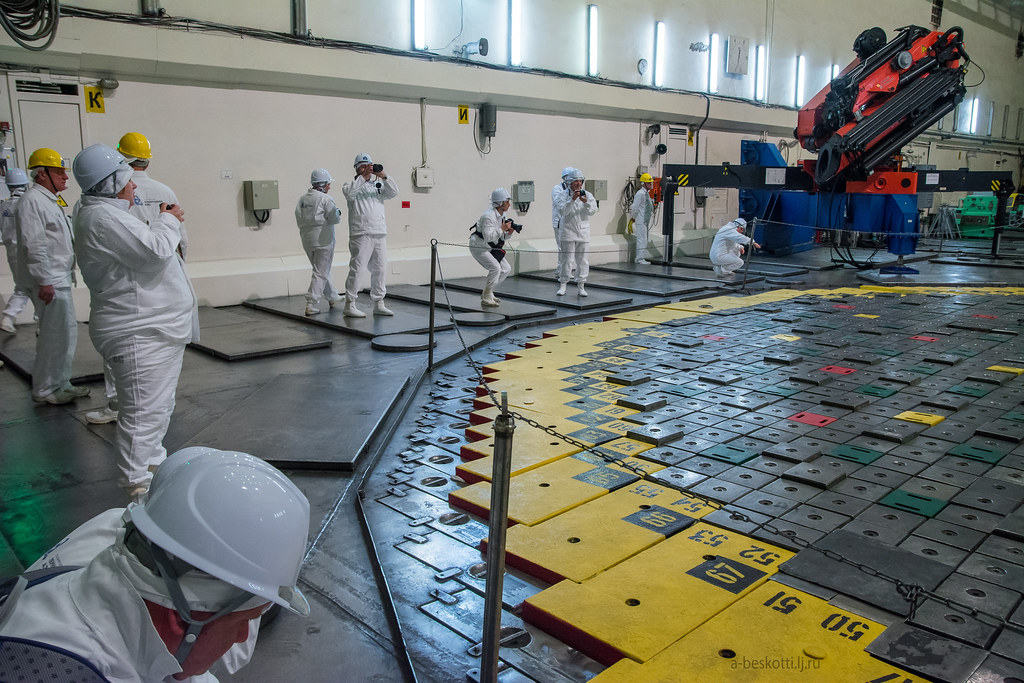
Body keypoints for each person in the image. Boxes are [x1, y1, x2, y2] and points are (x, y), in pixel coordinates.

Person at [0, 447, 311, 682]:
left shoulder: (100, 553)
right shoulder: (57, 669)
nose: (243, 636)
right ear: (181, 620)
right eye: (241, 622)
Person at [71, 143, 197, 500]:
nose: (135, 187)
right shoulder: (102, 217)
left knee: (156, 407)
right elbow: (154, 251)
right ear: (111, 182)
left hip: (152, 329)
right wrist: (169, 219)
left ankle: (153, 466)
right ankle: (136, 483)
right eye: (128, 180)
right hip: (139, 331)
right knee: (143, 414)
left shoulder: (108, 214)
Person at [16, 147, 89, 404]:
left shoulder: (49, 200)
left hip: (59, 278)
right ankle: (45, 389)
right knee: (53, 336)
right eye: (59, 172)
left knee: (66, 333)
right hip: (49, 281)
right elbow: (33, 244)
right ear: (42, 174)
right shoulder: (32, 202)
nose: (65, 177)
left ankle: (60, 382)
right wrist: (44, 280)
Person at [341, 153, 398, 318]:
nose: (367, 168)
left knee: (380, 268)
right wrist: (363, 176)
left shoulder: (377, 185)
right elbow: (350, 194)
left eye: (369, 165)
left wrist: (383, 176)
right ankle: (349, 303)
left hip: (379, 232)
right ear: (357, 168)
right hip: (361, 233)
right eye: (363, 166)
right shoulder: (350, 185)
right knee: (358, 269)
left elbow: (394, 192)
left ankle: (379, 302)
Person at [118, 131, 188, 259]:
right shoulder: (166, 191)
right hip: (165, 263)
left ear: (121, 159)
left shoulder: (115, 193)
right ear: (147, 162)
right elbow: (181, 238)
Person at [295, 168, 343, 316]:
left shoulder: (303, 199)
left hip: (307, 239)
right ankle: (311, 302)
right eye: (328, 184)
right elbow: (334, 218)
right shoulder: (326, 199)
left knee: (321, 269)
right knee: (320, 272)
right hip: (323, 240)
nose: (329, 187)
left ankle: (331, 296)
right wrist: (338, 213)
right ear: (322, 185)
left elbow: (298, 216)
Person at [469, 188, 518, 307]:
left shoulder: (502, 215)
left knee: (506, 269)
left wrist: (508, 233)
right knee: (496, 268)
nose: (509, 204)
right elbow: (488, 237)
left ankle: (489, 292)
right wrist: (502, 229)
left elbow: (500, 237)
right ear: (500, 202)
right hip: (479, 246)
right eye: (507, 201)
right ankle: (486, 296)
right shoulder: (488, 216)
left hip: (489, 246)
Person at [553, 168, 597, 297]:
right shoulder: (561, 195)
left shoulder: (587, 195)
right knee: (567, 259)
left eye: (580, 181)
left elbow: (593, 211)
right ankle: (563, 284)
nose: (578, 184)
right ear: (569, 182)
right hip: (567, 231)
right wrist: (572, 200)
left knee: (583, 260)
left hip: (583, 231)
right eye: (576, 181)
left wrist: (586, 202)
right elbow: (563, 212)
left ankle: (581, 285)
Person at [1, 168, 30, 334]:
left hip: (11, 251)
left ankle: (9, 318)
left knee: (22, 286)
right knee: (37, 288)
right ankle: (42, 323)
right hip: (25, 251)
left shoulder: (4, 205)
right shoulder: (26, 203)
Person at [550, 167, 573, 279]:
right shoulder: (557, 189)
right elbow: (560, 204)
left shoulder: (574, 190)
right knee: (561, 247)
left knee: (569, 248)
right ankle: (560, 270)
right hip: (559, 221)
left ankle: (566, 270)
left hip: (570, 222)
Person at [628, 173, 655, 264]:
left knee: (644, 239)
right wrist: (633, 218)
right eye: (649, 183)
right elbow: (635, 207)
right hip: (640, 219)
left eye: (651, 183)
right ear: (644, 183)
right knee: (641, 239)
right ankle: (639, 259)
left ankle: (641, 257)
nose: (651, 184)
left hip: (645, 220)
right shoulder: (640, 194)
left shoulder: (646, 193)